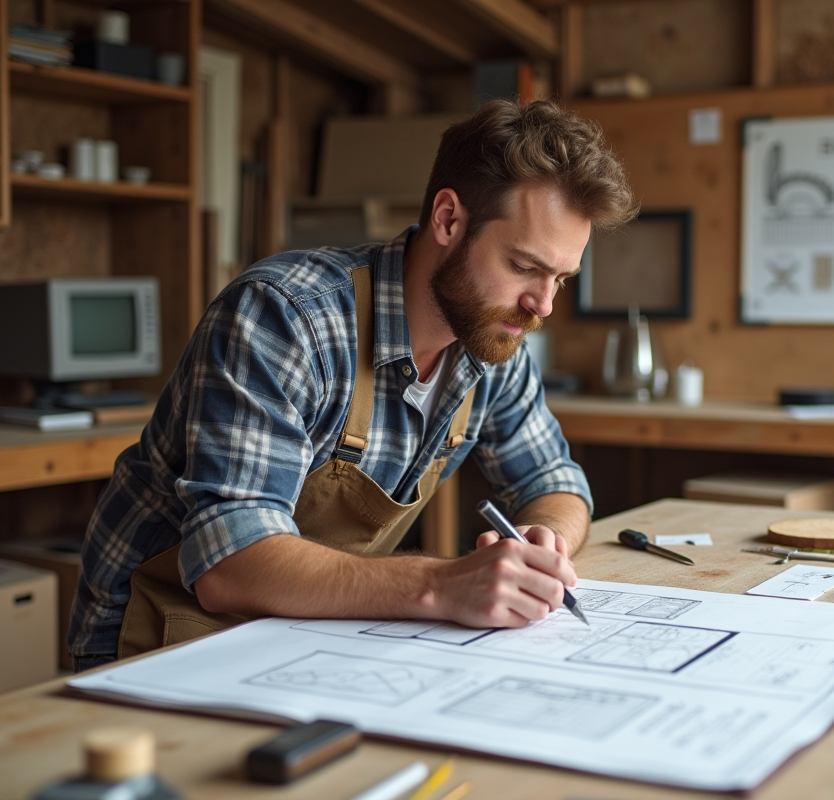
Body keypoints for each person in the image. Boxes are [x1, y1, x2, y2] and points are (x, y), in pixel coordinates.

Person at [69, 99, 639, 671]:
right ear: (448, 219)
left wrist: (543, 543)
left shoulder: (493, 337)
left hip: (303, 628)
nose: (541, 305)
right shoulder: (287, 316)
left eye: (560, 278)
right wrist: (441, 584)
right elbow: (230, 563)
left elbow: (555, 478)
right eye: (523, 266)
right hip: (162, 638)